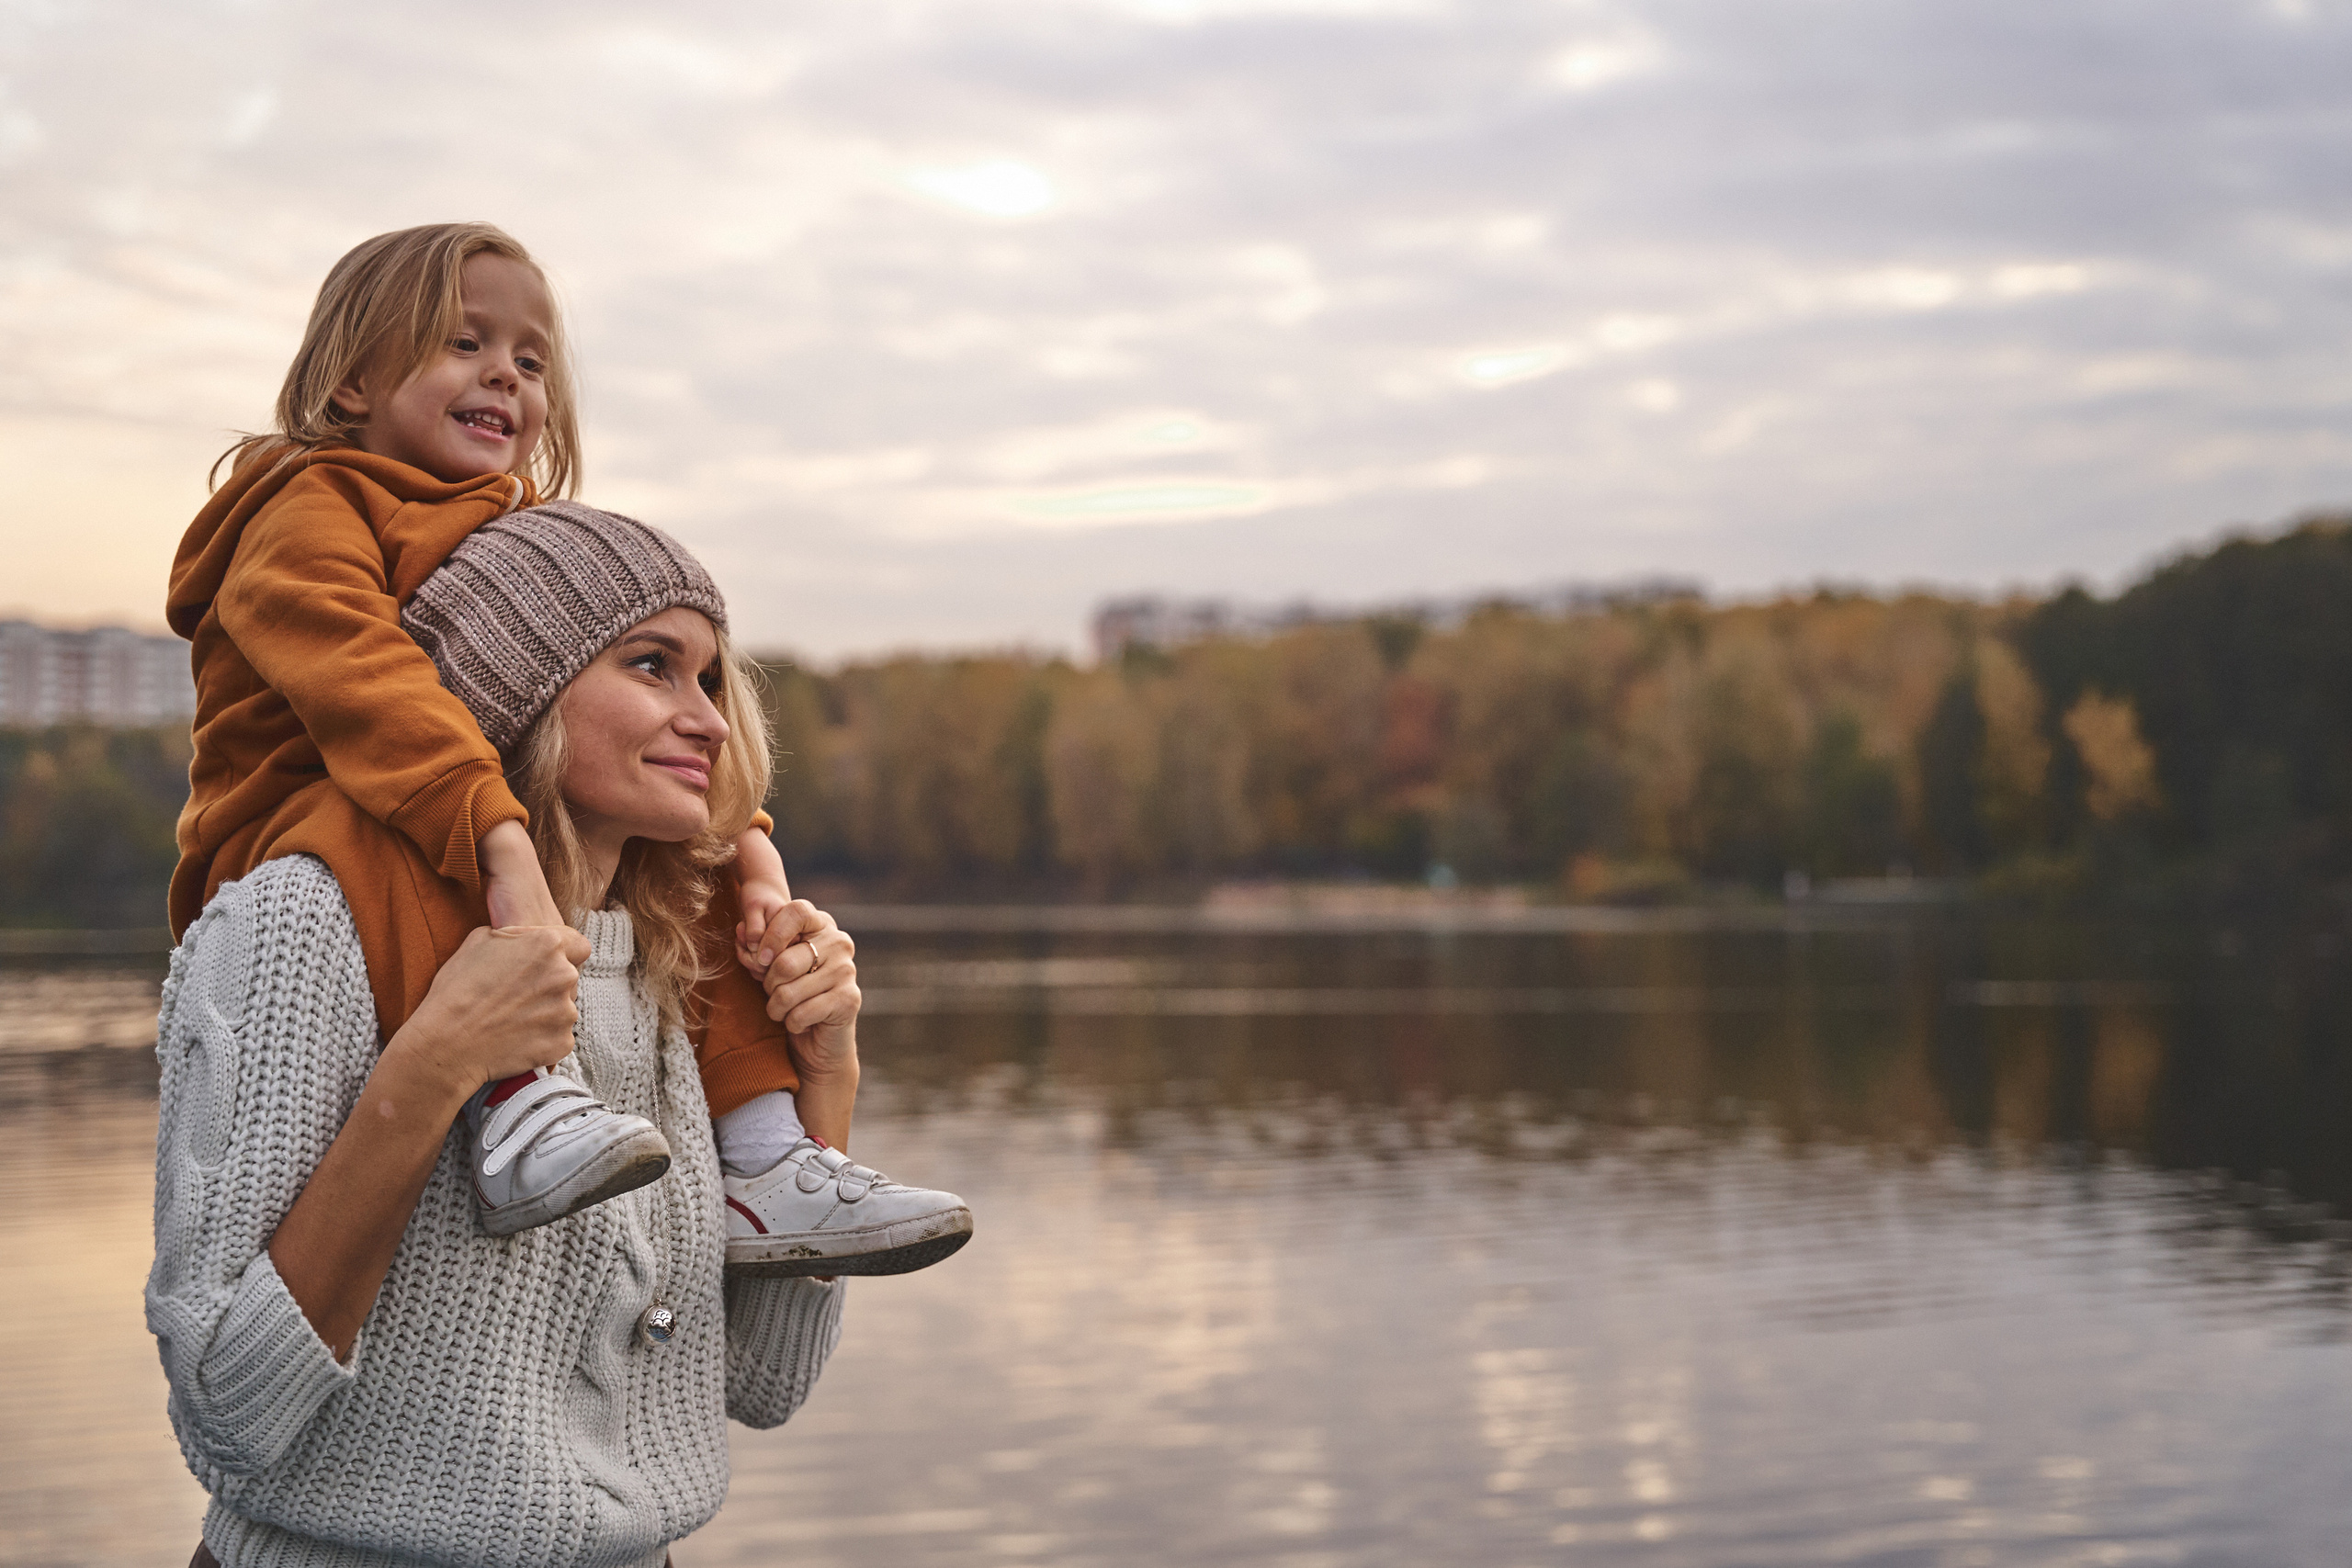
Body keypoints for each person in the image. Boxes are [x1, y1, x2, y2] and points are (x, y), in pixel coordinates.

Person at [150, 502, 971, 1568]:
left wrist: (824, 1079)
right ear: (515, 687)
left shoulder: (673, 960)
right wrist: (434, 1068)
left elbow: (762, 1388)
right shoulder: (303, 922)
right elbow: (227, 1411)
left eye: (712, 680)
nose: (711, 721)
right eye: (652, 667)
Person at [164, 221, 960, 1263]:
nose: (505, 372)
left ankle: (762, 1158)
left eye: (530, 360)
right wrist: (496, 835)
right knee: (383, 829)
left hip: (464, 798)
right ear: (352, 380)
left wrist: (747, 853)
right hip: (304, 809)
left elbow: (582, 684)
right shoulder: (306, 508)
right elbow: (367, 683)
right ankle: (518, 1099)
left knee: (686, 863)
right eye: (464, 344)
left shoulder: (504, 527)